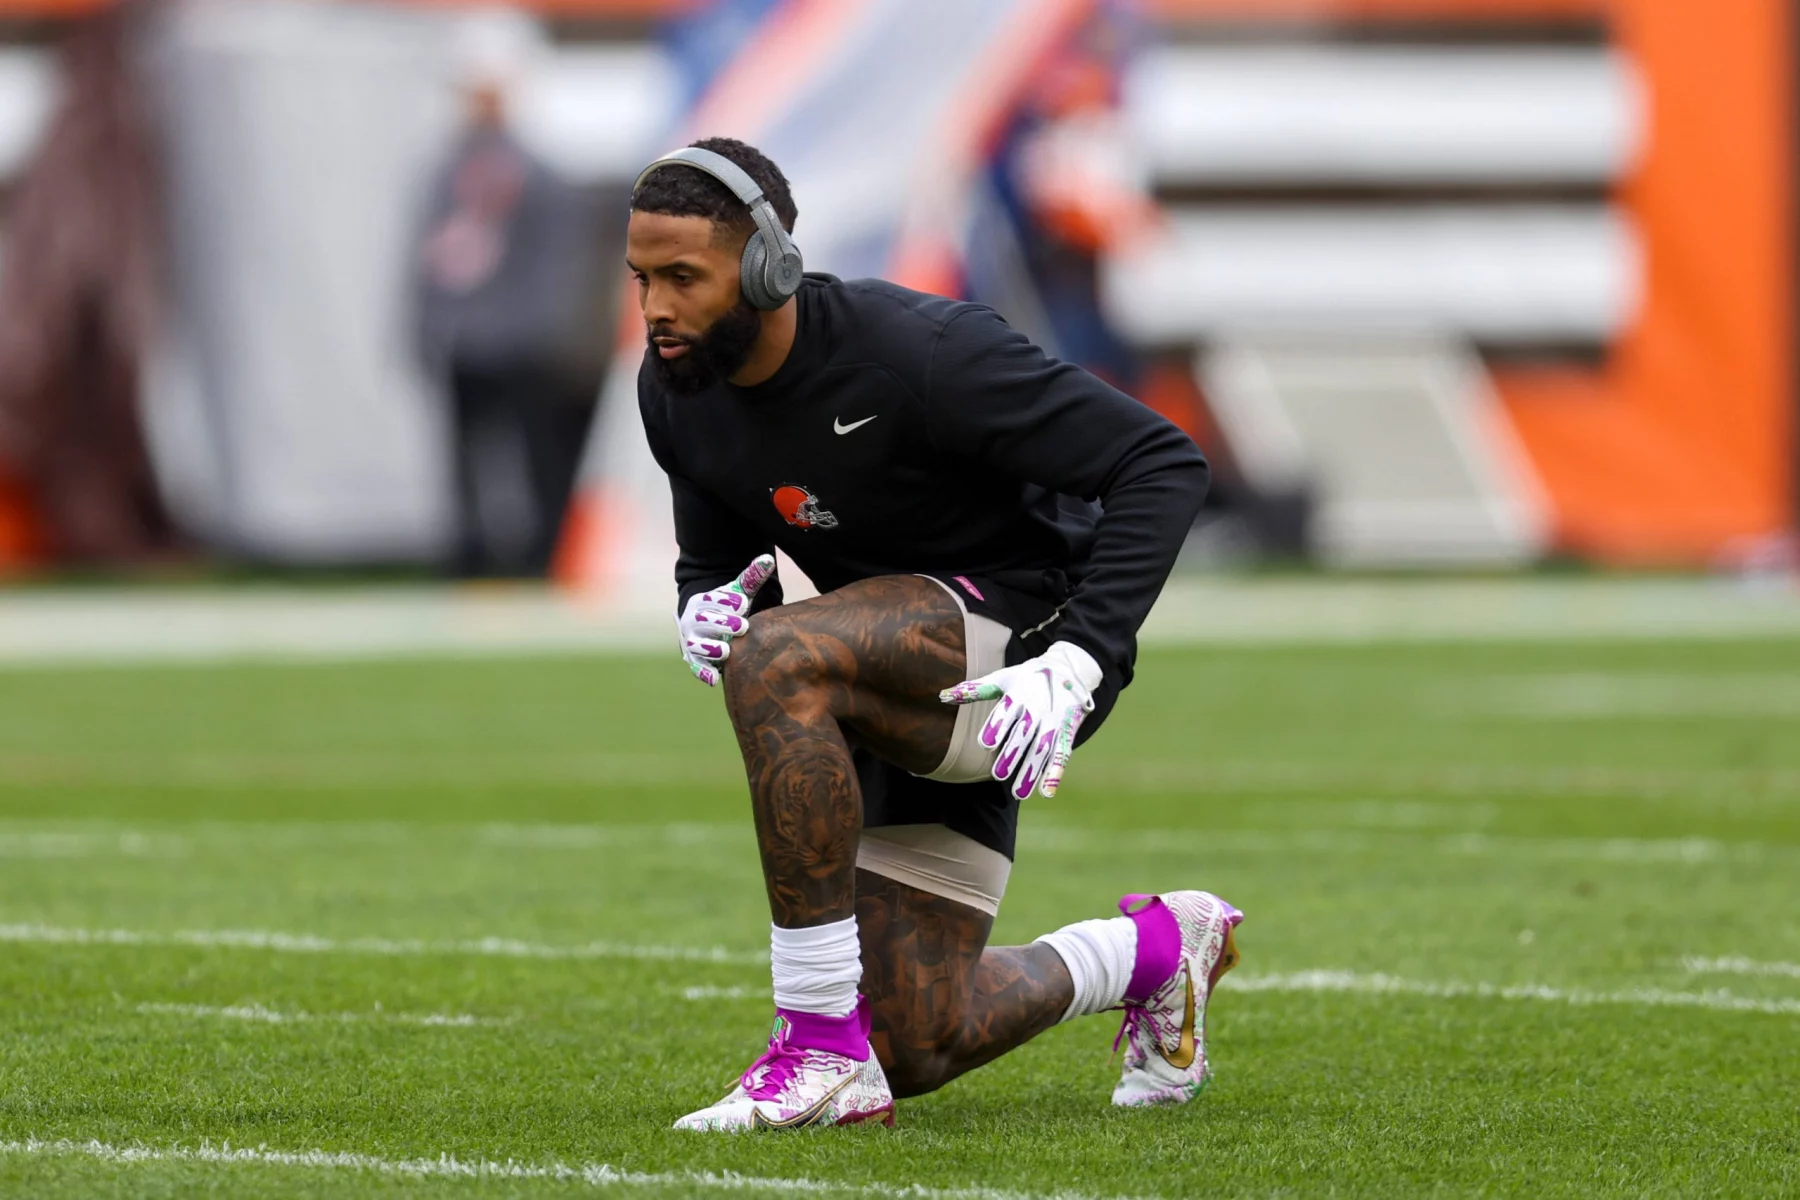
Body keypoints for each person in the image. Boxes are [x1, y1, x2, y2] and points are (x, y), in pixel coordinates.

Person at [631, 137, 1241, 1131]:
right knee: (921, 1040)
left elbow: (1161, 463)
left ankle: (816, 1047)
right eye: (643, 277)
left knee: (777, 659)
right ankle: (1159, 950)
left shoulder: (918, 351)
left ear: (767, 264)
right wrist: (700, 604)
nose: (655, 307)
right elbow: (717, 559)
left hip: (1030, 654)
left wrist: (1082, 658)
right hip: (890, 675)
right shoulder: (679, 393)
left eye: (682, 277)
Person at [415, 10, 605, 578]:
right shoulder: (446, 171)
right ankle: (472, 553)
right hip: (466, 338)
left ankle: (542, 553)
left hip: (522, 341)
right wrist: (429, 327)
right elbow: (429, 261)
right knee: (467, 458)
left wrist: (543, 332)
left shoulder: (538, 175)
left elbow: (554, 264)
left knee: (536, 456)